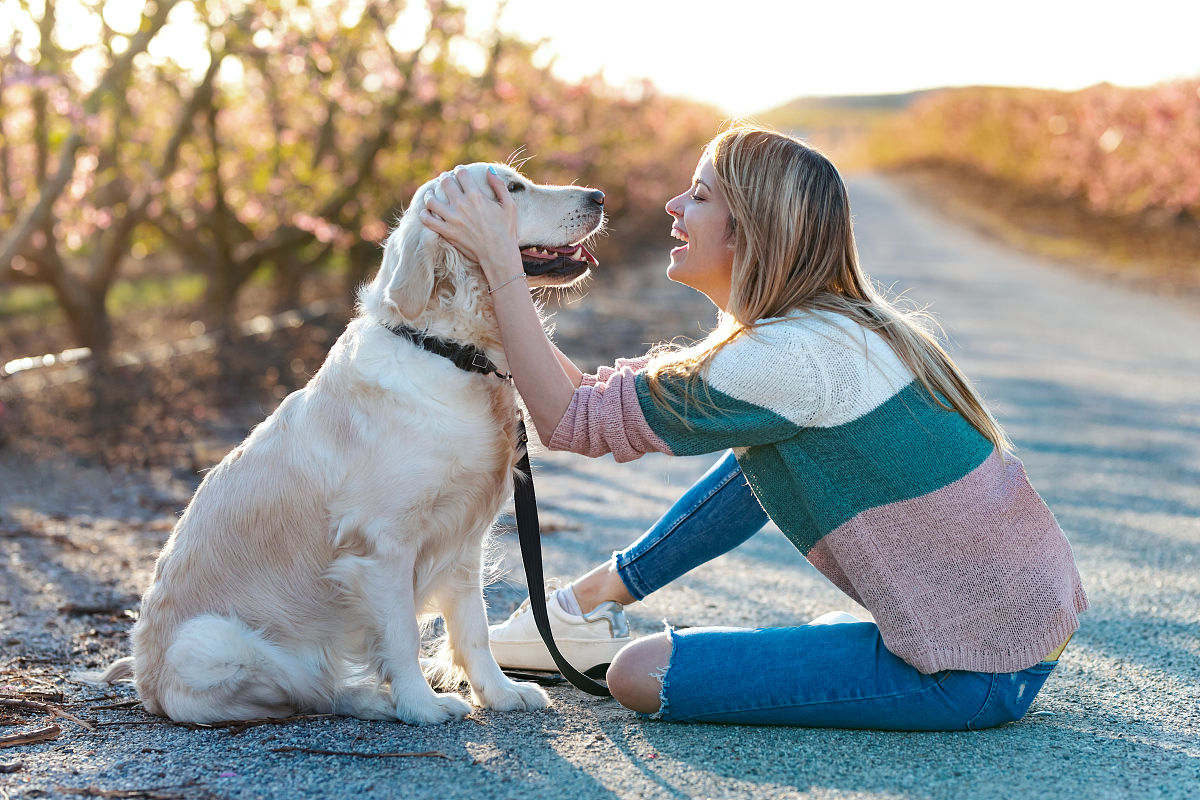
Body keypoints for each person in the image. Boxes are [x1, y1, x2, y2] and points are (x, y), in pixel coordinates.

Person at [420, 124, 1088, 729]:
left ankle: (589, 616)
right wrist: (497, 303)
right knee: (757, 461)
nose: (674, 209)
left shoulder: (781, 360)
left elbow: (571, 422)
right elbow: (599, 400)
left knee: (637, 674)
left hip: (971, 673)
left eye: (700, 196)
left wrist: (504, 270)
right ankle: (582, 609)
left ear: (747, 229)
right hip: (1022, 628)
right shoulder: (830, 328)